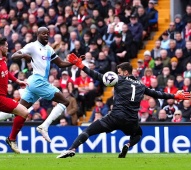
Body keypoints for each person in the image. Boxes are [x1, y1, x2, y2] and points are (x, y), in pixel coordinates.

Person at [57, 54, 190, 158]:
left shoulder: (120, 80)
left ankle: (71, 149)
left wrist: (81, 66)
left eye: (119, 72)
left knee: (88, 131)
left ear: (125, 73)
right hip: (131, 120)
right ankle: (127, 145)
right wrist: (175, 96)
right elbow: (158, 94)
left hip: (115, 117)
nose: (118, 74)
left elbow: (98, 76)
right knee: (138, 134)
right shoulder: (141, 85)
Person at [0, 27, 76, 143]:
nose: (46, 35)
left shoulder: (49, 49)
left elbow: (61, 63)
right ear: (37, 34)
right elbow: (14, 56)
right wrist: (24, 55)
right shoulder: (32, 46)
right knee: (65, 101)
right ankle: (44, 126)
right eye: (43, 33)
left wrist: (74, 62)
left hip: (34, 82)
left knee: (17, 110)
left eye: (48, 34)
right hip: (38, 81)